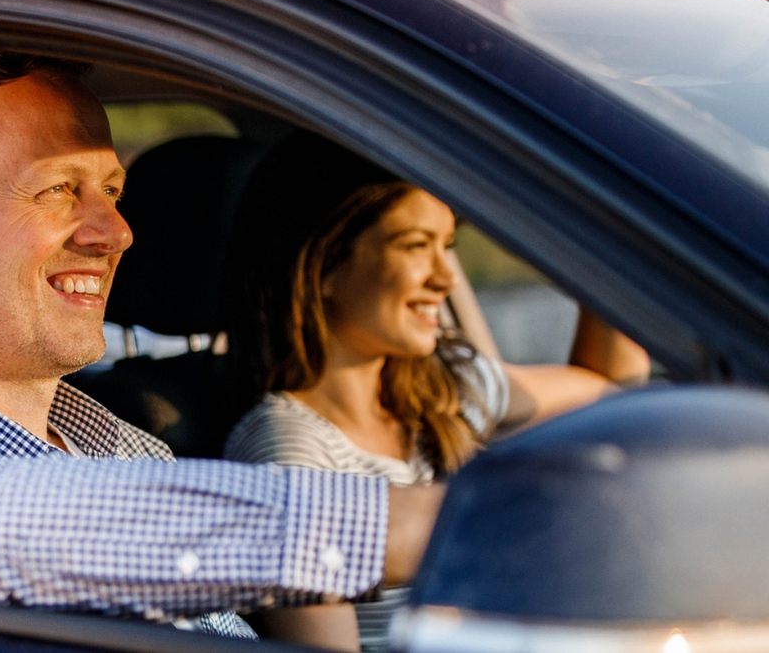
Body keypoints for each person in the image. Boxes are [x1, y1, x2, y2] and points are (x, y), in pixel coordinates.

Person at [0, 48, 444, 639]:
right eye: (57, 190)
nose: (116, 232)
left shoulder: (130, 450)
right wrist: (421, 524)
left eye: (111, 190)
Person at [221, 139, 650, 651]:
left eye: (447, 245)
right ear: (326, 265)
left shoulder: (443, 389)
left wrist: (608, 236)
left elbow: (611, 386)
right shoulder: (289, 453)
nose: (445, 277)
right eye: (416, 245)